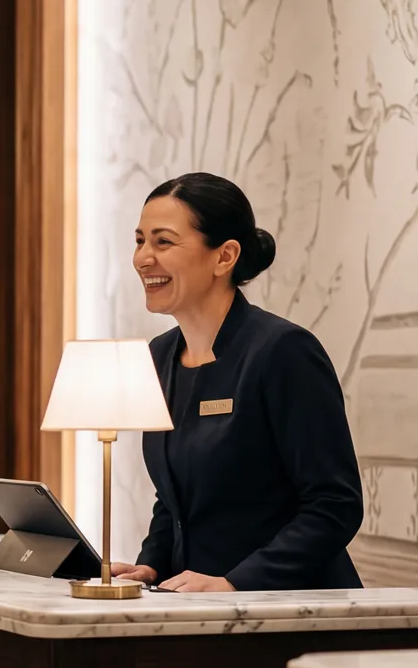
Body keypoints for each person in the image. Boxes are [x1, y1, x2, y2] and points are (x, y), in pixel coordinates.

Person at [112, 172, 363, 592]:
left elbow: (335, 505)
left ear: (224, 257)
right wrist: (151, 565)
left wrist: (236, 583)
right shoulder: (159, 356)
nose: (143, 258)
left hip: (288, 609)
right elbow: (174, 502)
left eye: (163, 242)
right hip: (197, 610)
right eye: (140, 241)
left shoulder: (283, 352)